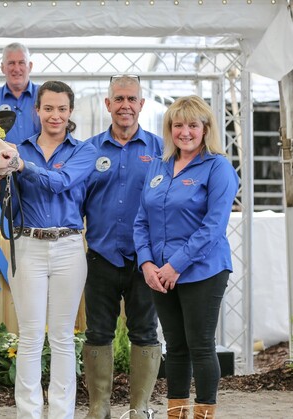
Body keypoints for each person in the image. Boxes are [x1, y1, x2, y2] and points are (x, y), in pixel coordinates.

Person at [133, 95, 239, 419]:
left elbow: (213, 227)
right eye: (178, 125)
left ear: (205, 128)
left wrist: (175, 266)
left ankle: (204, 415)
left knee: (201, 345)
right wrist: (147, 264)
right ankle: (176, 414)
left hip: (203, 270)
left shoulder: (218, 167)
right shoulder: (159, 165)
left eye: (193, 124)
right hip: (160, 273)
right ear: (170, 129)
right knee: (175, 348)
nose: (185, 131)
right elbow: (141, 220)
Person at [6, 80, 96, 419]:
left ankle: (61, 414)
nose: (54, 115)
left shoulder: (83, 151)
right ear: (37, 110)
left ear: (70, 111)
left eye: (61, 109)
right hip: (27, 244)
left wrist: (22, 167)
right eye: (48, 108)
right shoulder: (18, 149)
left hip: (69, 245)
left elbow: (61, 184)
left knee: (61, 336)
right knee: (29, 336)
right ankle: (27, 414)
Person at [82, 75, 163, 419]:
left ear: (141, 104)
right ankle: (99, 407)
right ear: (108, 104)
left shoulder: (162, 149)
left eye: (132, 99)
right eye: (119, 99)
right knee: (97, 331)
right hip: (101, 256)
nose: (125, 105)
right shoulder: (88, 150)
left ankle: (139, 408)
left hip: (146, 261)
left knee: (144, 331)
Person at [0, 42, 40, 144]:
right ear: (2, 68)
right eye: (11, 63)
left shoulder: (45, 95)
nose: (16, 69)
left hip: (42, 159)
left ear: (30, 66)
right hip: (2, 159)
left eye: (21, 62)